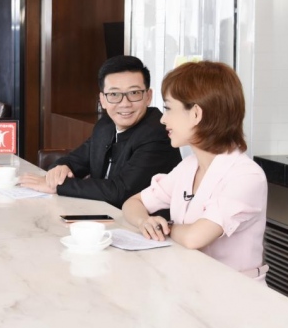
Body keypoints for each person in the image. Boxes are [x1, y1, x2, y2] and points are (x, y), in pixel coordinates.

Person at [122, 61, 268, 281]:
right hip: (191, 284)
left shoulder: (246, 176)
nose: (162, 119)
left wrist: (164, 226)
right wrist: (145, 222)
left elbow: (194, 237)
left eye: (168, 108)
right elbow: (133, 203)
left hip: (234, 292)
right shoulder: (188, 167)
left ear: (196, 114)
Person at [19, 55, 181, 208]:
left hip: (144, 223)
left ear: (148, 96)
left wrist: (59, 186)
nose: (125, 103)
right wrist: (60, 168)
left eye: (134, 93)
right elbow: (75, 160)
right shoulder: (106, 125)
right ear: (102, 100)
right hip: (101, 215)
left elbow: (121, 191)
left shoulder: (157, 133)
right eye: (114, 94)